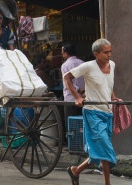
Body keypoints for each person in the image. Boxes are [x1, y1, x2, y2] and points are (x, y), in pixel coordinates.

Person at [63, 38, 121, 185]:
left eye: (110, 52)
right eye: (105, 52)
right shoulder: (88, 66)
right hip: (92, 112)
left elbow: (108, 84)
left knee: (98, 151)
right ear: (96, 53)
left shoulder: (112, 65)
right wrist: (77, 97)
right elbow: (67, 77)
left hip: (107, 113)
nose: (109, 55)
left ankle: (76, 170)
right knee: (105, 148)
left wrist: (114, 98)